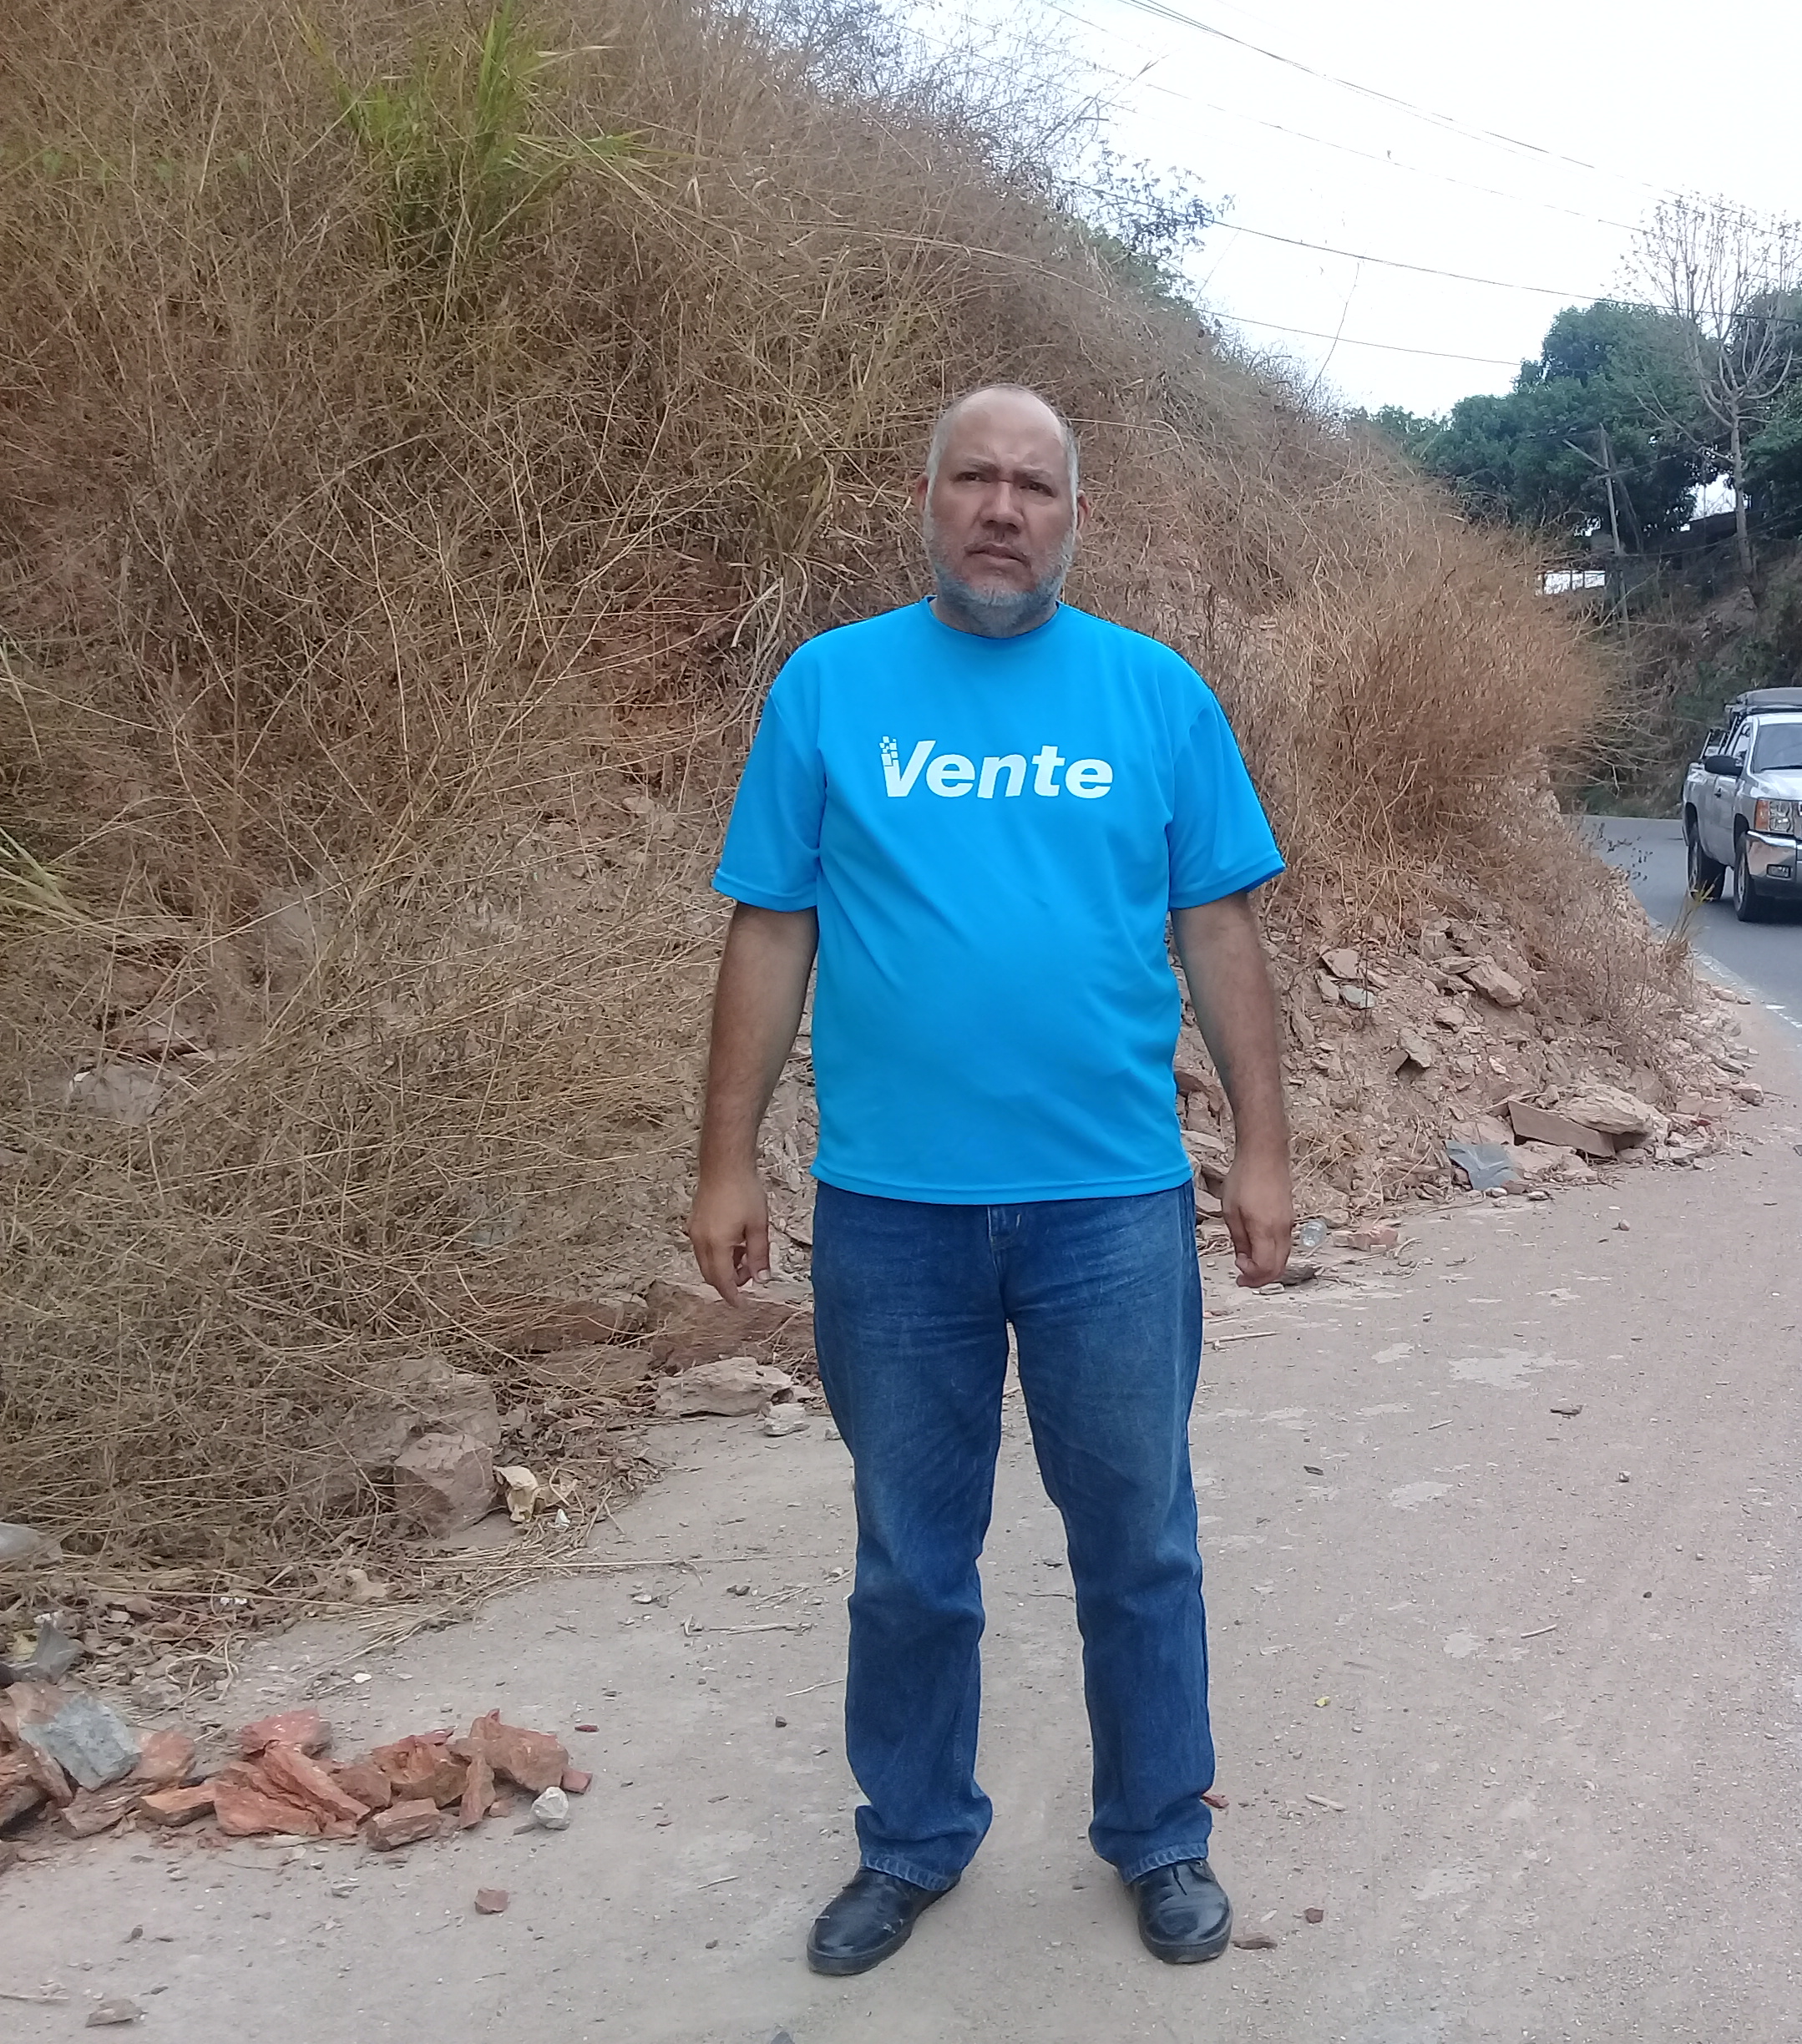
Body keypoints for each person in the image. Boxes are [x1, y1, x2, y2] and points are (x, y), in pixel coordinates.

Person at [689, 384, 1293, 1976]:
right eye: (977, 479)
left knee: (1139, 1540)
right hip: (893, 1215)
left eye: (1034, 484)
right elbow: (771, 925)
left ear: (1073, 515)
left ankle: (1162, 1833)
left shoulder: (1155, 698)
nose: (1003, 509)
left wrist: (1267, 1150)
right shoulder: (830, 689)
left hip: (1109, 1206)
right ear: (928, 497)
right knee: (908, 1552)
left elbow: (1220, 928)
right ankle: (911, 1841)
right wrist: (728, 1158)